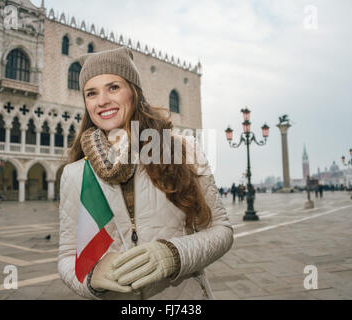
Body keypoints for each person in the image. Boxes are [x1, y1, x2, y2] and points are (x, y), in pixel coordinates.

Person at [58, 47, 234, 300]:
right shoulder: (76, 173)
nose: (102, 100)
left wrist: (174, 254)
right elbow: (66, 257)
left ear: (134, 92)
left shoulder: (184, 150)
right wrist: (91, 278)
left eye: (114, 88)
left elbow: (221, 230)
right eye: (91, 93)